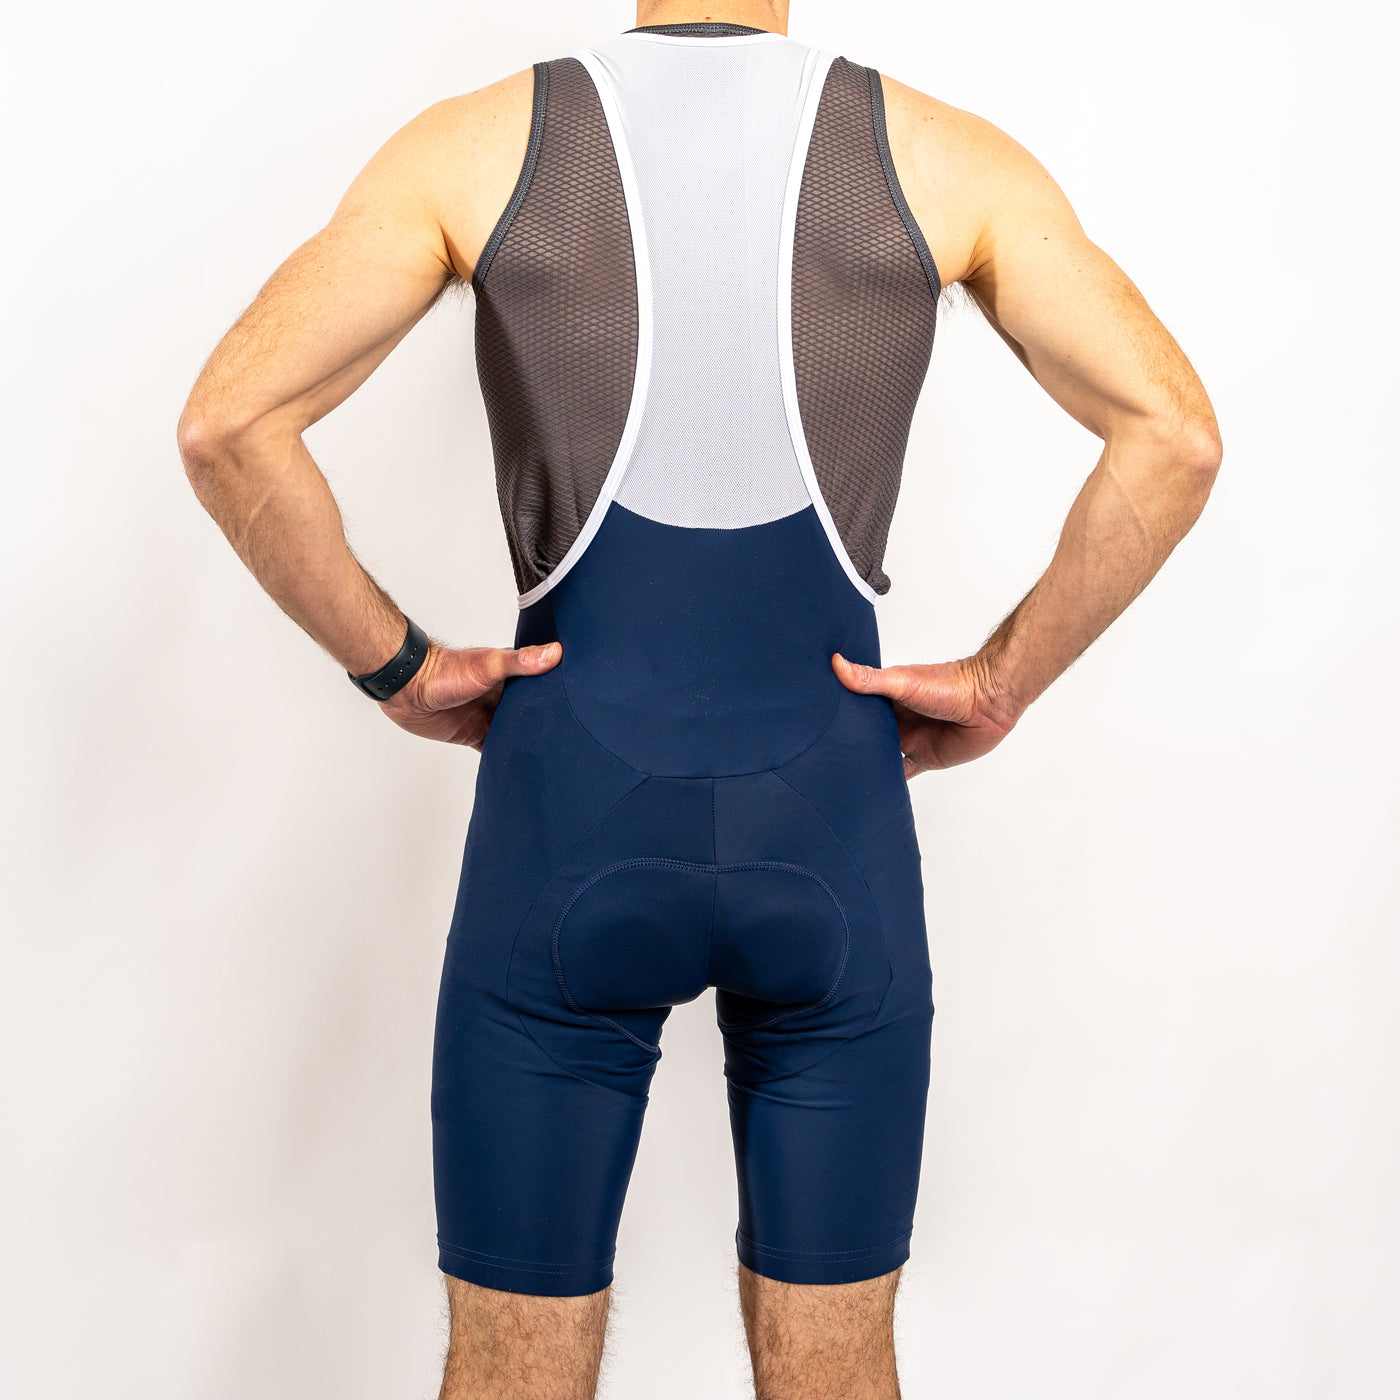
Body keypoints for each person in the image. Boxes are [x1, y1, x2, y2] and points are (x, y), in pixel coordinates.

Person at [177, 2, 1222, 1396]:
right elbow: (1175, 436)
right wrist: (999, 681)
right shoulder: (948, 160)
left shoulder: (472, 149)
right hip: (831, 828)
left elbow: (229, 424)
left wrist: (401, 667)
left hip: (566, 821)